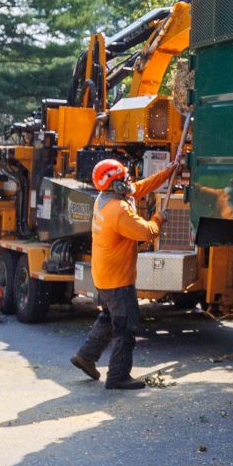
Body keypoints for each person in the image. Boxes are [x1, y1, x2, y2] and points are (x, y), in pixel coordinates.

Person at [70, 157, 171, 389]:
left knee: (108, 318)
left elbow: (141, 186)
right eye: (125, 177)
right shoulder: (119, 210)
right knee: (125, 327)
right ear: (116, 184)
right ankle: (117, 377)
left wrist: (168, 172)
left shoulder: (105, 199)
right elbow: (148, 233)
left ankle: (86, 357)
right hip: (118, 281)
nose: (130, 180)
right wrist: (158, 218)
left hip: (103, 277)